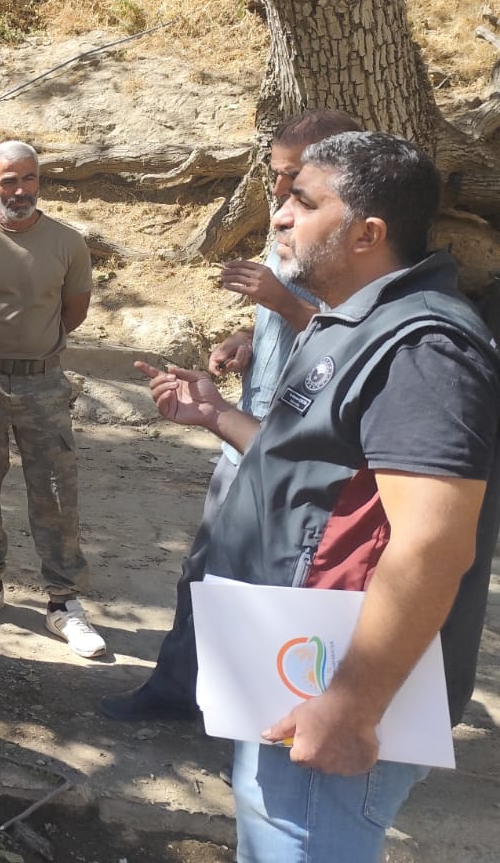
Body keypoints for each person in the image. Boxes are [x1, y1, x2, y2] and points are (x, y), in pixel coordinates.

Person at [137, 131, 500, 861]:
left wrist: (353, 702)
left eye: (304, 202)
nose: (279, 214)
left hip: (333, 684)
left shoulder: (422, 347)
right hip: (290, 670)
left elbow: (433, 544)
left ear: (368, 233)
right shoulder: (353, 322)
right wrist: (218, 416)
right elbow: (314, 472)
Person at [100, 109, 359, 721]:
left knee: (273, 581)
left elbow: (352, 340)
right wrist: (247, 337)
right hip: (242, 433)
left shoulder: (350, 249)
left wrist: (281, 302)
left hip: (300, 452)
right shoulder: (286, 233)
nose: (279, 193)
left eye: (293, 176)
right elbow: (286, 324)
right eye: (275, 175)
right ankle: (177, 690)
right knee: (204, 569)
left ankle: (259, 712)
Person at [0, 141, 105, 658]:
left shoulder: (68, 243)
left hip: (43, 380)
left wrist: (33, 346)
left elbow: (74, 312)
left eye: (28, 178)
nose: (20, 190)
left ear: (39, 181)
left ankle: (64, 602)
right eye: (8, 180)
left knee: (55, 488)